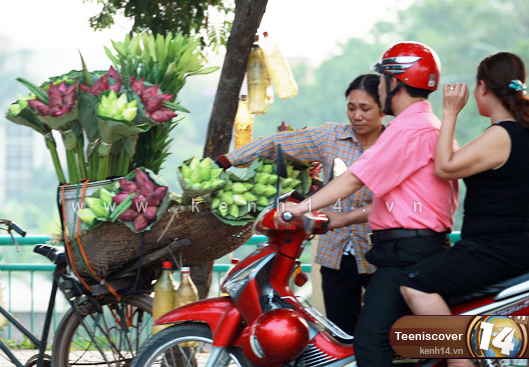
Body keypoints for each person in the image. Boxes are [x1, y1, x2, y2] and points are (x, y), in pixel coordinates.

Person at [278, 41, 459, 367]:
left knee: (370, 341)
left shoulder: (408, 129)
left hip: (405, 255)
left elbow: (353, 180)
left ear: (395, 81)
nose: (378, 87)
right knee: (399, 343)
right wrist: (343, 219)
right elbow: (399, 202)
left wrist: (296, 209)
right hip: (413, 249)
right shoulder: (428, 126)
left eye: (381, 80)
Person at [216, 73, 385, 340]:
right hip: (335, 251)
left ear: (383, 108)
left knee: (380, 333)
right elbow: (274, 143)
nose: (357, 116)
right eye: (351, 108)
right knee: (341, 332)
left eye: (366, 109)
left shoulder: (395, 144)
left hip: (379, 250)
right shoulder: (331, 136)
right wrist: (227, 160)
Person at [399, 52, 529, 367]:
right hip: (512, 245)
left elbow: (444, 167)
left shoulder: (503, 134)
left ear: (482, 87)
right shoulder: (519, 134)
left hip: (496, 247)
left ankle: (460, 363)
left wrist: (450, 112)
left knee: (415, 281)